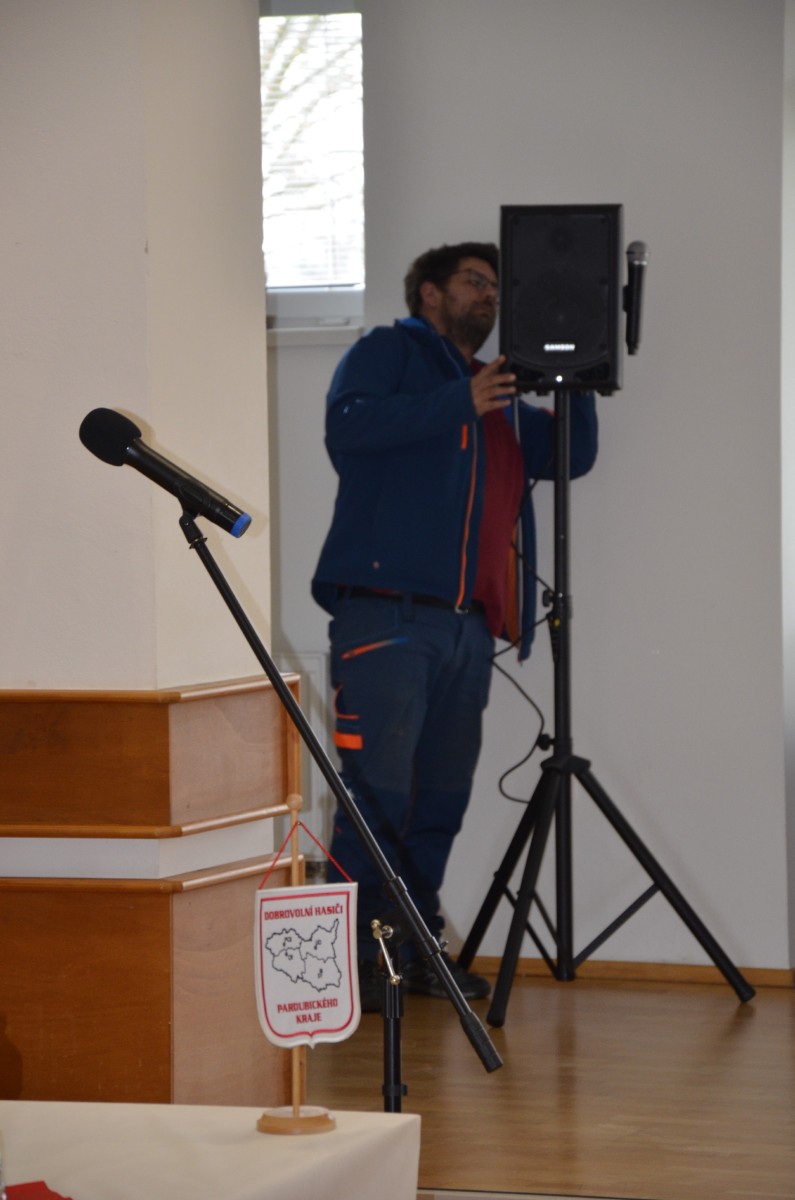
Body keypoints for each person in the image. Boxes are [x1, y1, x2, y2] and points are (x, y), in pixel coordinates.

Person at [312, 242, 598, 1010]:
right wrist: (456, 402)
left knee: (438, 802)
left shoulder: (494, 396)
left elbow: (571, 457)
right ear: (430, 293)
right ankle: (351, 963)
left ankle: (408, 948)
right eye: (475, 281)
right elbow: (348, 426)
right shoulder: (388, 353)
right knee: (376, 799)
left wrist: (576, 377)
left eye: (496, 287)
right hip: (387, 613)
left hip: (467, 629)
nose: (490, 296)